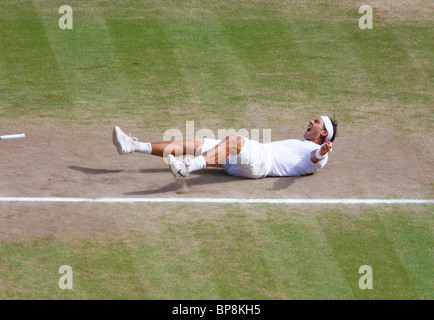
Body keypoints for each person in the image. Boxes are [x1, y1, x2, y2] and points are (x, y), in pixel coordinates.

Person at [112, 116, 337, 182]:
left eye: (316, 122)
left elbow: (315, 158)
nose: (310, 122)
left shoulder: (318, 154)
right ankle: (133, 146)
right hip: (247, 161)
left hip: (260, 163)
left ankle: (187, 168)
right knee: (194, 143)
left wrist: (321, 152)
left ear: (325, 133)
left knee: (233, 139)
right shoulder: (303, 143)